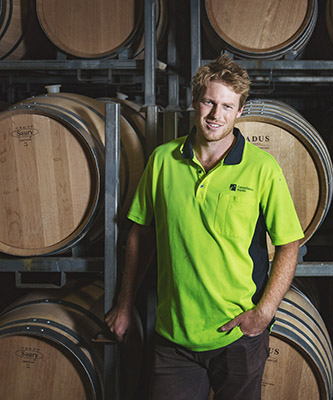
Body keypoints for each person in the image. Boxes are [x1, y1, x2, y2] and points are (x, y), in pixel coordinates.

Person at [105, 54, 304, 400]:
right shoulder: (163, 161)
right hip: (174, 337)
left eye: (227, 106)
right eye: (209, 102)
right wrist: (124, 305)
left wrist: (263, 313)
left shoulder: (262, 168)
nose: (216, 115)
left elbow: (289, 244)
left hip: (237, 337)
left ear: (240, 110)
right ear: (195, 102)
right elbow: (141, 235)